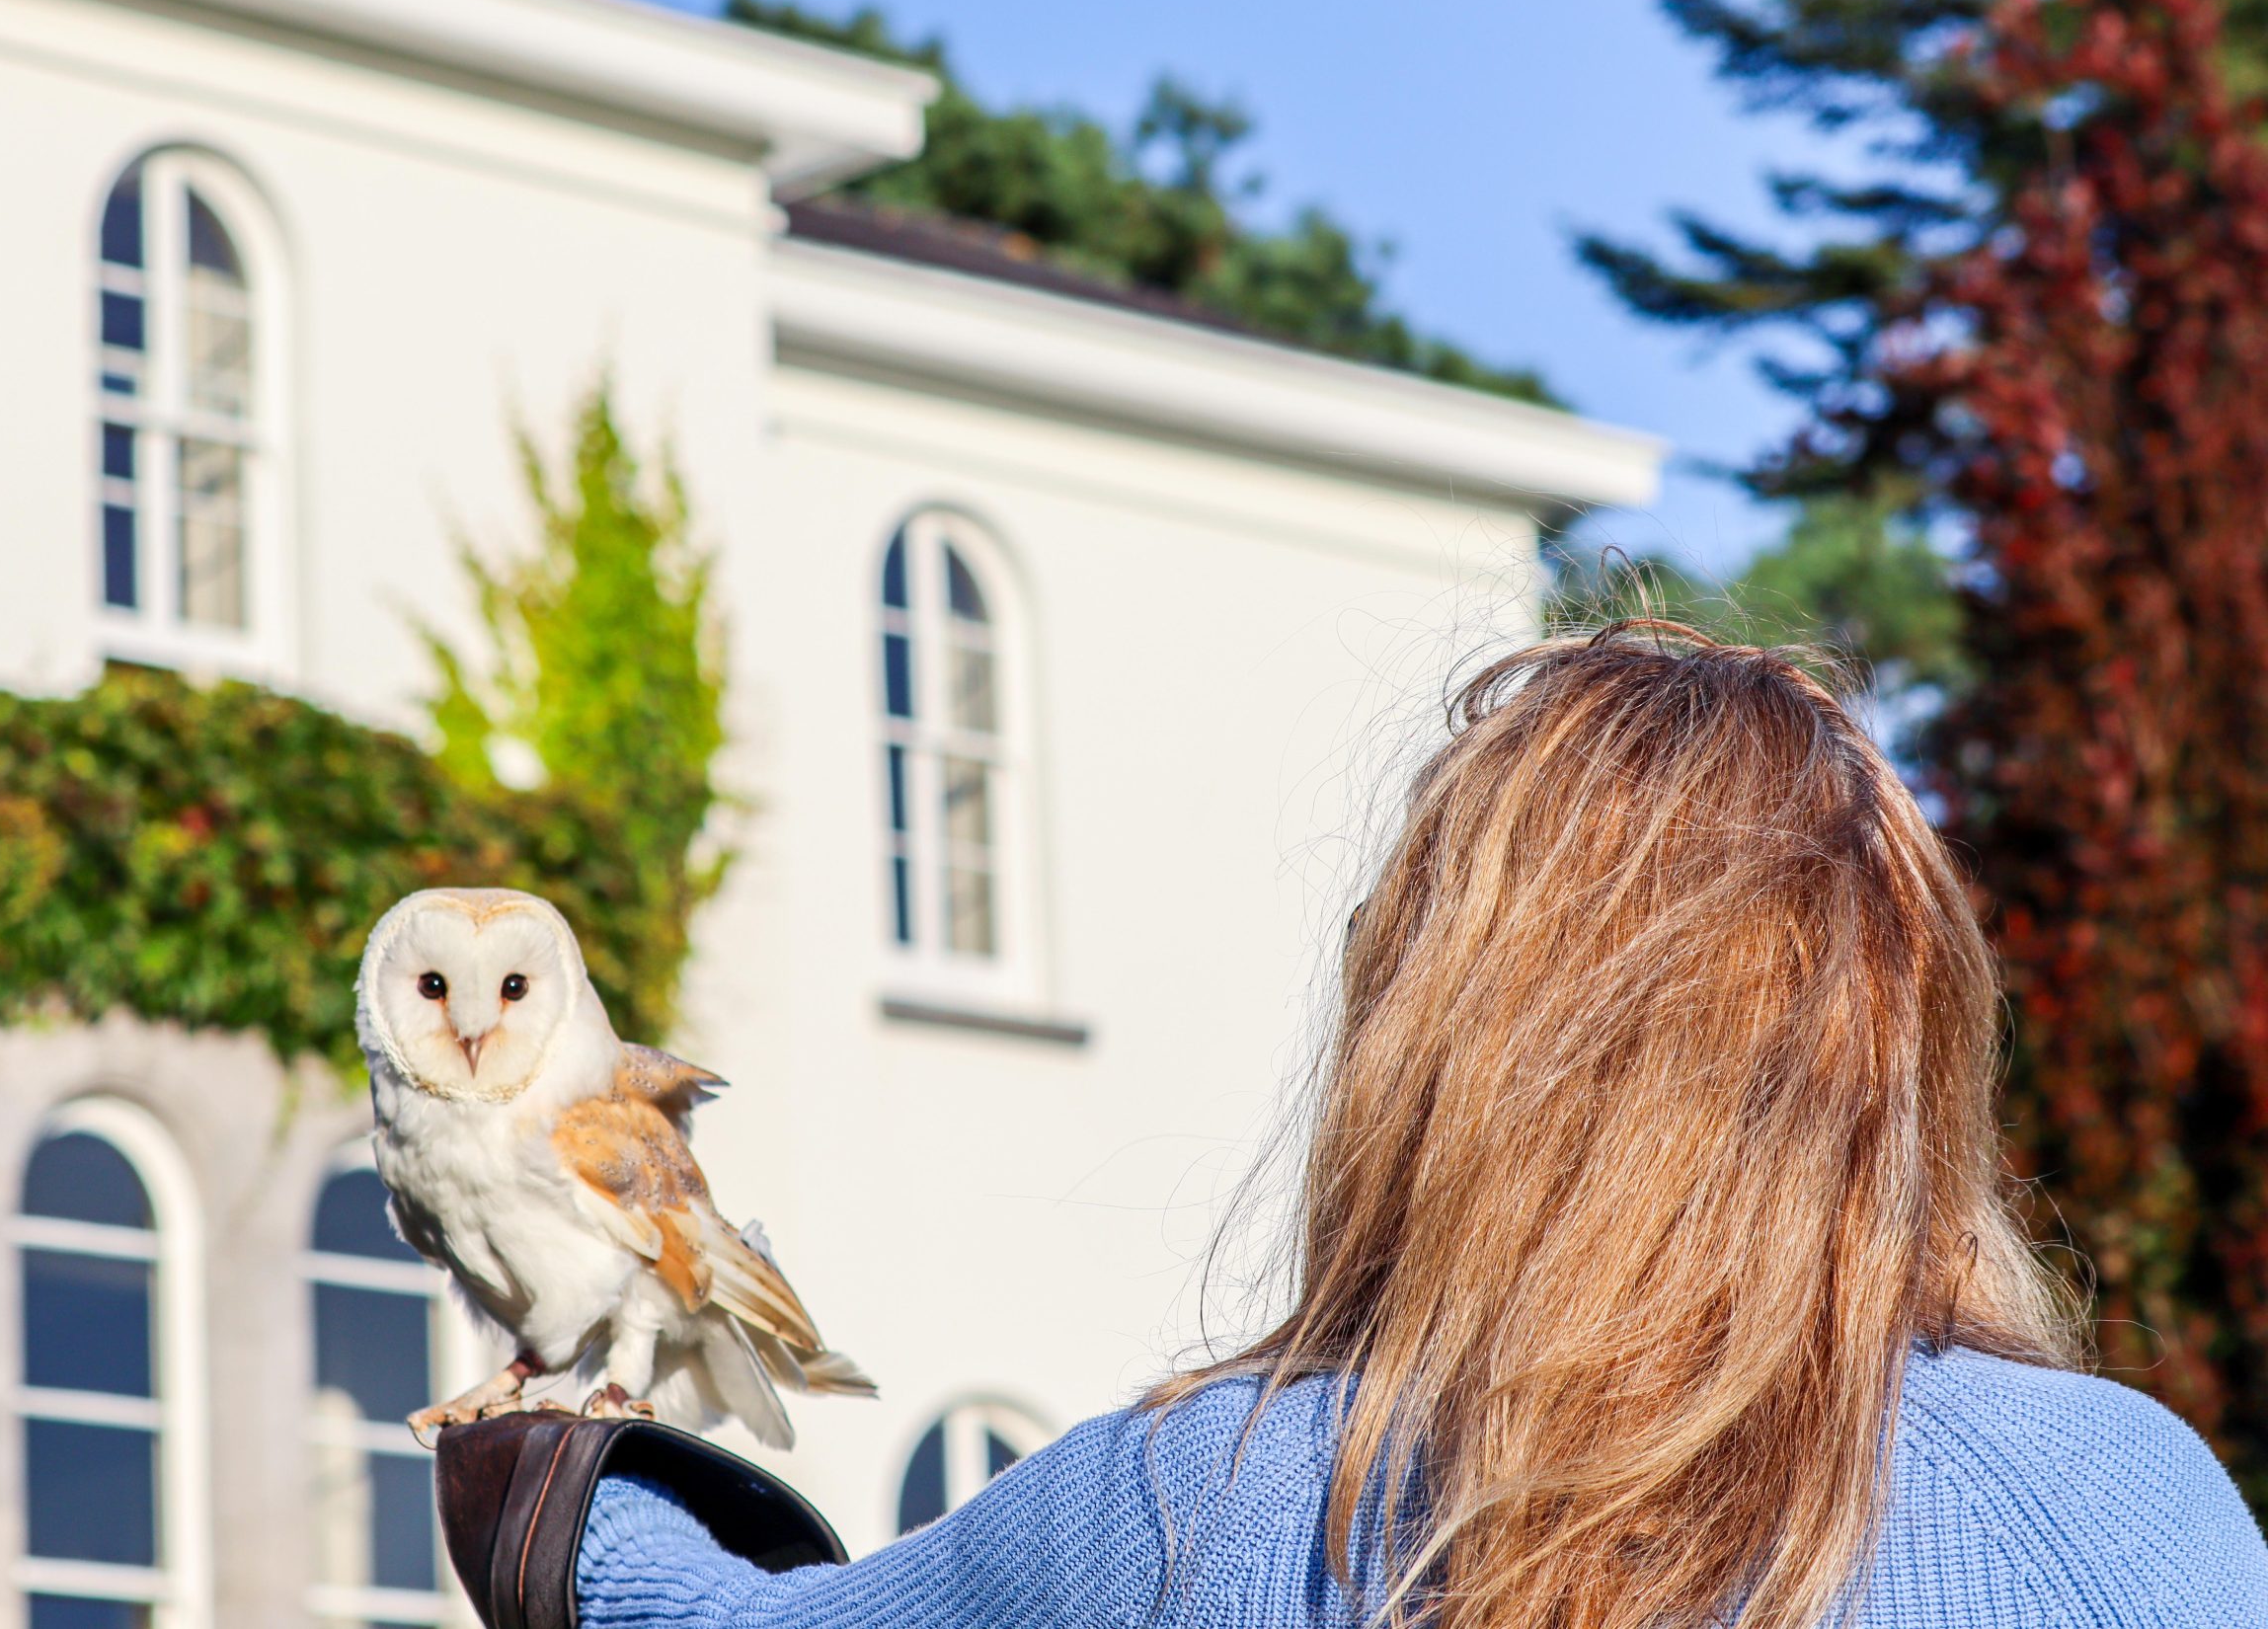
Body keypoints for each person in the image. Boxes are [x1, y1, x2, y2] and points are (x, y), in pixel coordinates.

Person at [571, 624, 2268, 1628]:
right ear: (1905, 1043)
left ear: (1441, 1046)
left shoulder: (1209, 1505)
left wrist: (563, 1468)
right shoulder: (2122, 1515)